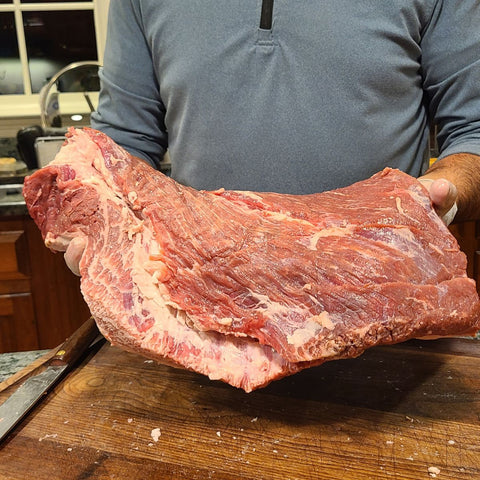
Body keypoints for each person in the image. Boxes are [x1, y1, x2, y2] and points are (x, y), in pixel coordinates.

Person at [90, 0, 480, 225]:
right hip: (205, 298)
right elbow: (123, 142)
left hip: (378, 286)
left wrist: (443, 192)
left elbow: (473, 129)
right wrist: (100, 216)